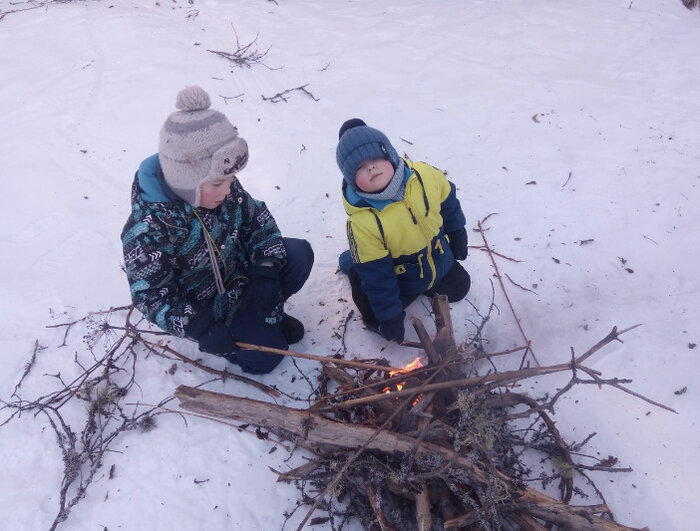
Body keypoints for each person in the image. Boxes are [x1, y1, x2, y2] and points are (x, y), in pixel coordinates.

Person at [121, 86, 313, 374]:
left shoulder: (222, 186)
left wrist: (266, 267)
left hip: (240, 279)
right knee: (267, 359)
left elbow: (256, 219)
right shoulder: (149, 230)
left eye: (230, 180)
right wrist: (199, 326)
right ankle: (240, 337)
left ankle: (265, 314)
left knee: (298, 254)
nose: (228, 189)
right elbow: (151, 294)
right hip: (209, 312)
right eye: (217, 185)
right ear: (188, 183)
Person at [336, 119, 470, 343]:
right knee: (374, 315)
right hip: (397, 276)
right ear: (352, 180)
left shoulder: (425, 176)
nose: (370, 167)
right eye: (359, 167)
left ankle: (424, 281)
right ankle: (354, 265)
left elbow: (449, 202)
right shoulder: (362, 223)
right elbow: (378, 277)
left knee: (460, 287)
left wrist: (457, 234)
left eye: (375, 158)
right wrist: (390, 318)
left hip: (436, 260)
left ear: (389, 154)